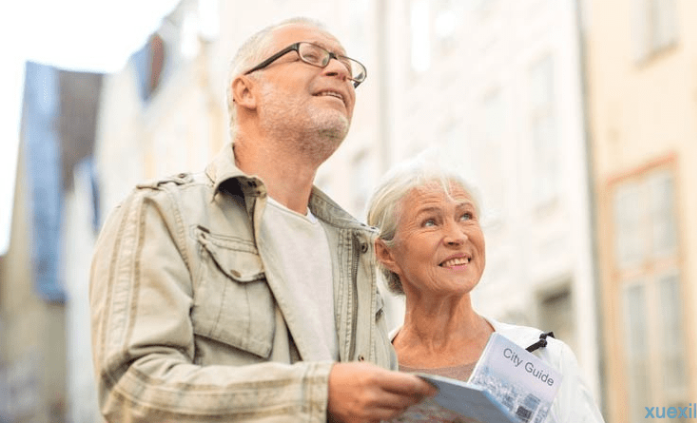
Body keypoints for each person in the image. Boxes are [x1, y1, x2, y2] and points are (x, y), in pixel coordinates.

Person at [89, 17, 434, 423]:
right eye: (311, 55)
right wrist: (316, 394)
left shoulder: (355, 251)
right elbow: (134, 389)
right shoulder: (163, 214)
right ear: (245, 90)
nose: (341, 70)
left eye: (347, 66)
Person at [366, 158, 606, 422]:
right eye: (430, 222)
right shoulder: (368, 373)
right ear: (386, 253)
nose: (457, 236)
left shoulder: (544, 357)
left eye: (466, 216)